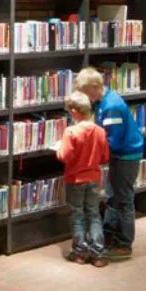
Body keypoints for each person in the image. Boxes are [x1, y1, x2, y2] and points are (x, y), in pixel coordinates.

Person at [76, 66, 145, 259]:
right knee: (113, 197)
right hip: (120, 155)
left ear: (96, 86)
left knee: (124, 200)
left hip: (126, 156)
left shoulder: (111, 106)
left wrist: (90, 155)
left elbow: (111, 141)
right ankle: (109, 236)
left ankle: (124, 244)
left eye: (86, 92)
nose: (85, 97)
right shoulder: (103, 102)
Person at [53, 90, 110, 267]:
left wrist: (57, 148)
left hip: (75, 180)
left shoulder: (71, 132)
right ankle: (98, 253)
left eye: (70, 112)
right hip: (93, 178)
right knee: (94, 214)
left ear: (75, 112)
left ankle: (80, 252)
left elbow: (64, 156)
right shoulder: (100, 131)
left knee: (77, 215)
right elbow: (105, 156)